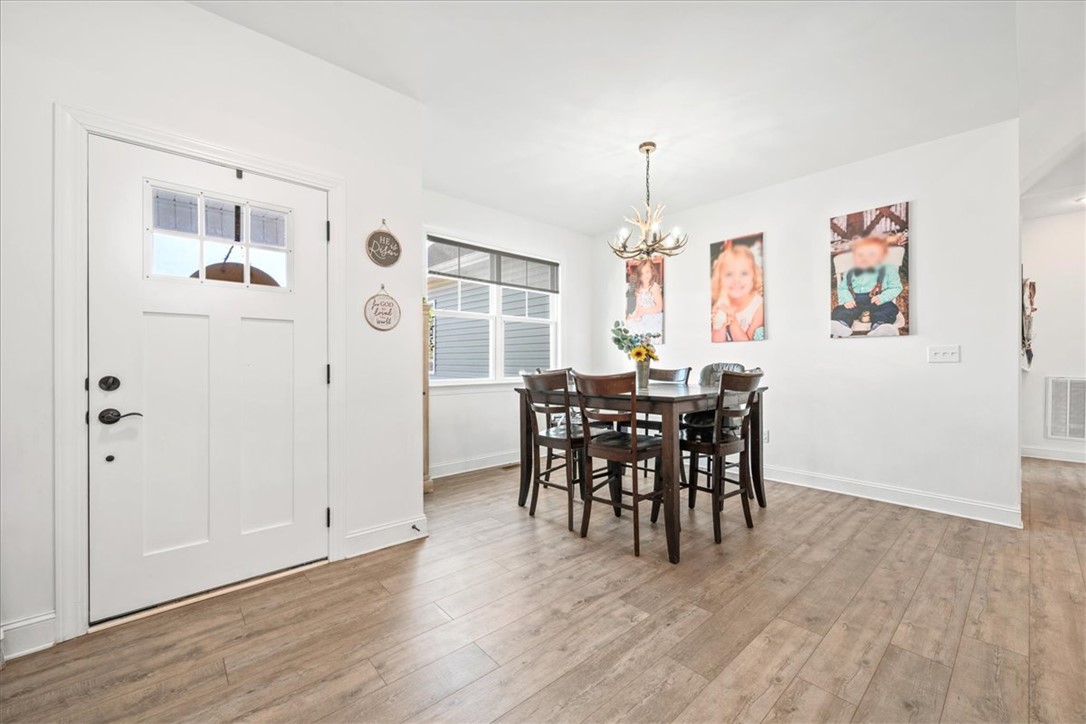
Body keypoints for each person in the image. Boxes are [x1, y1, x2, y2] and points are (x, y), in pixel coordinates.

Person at [831, 235, 902, 337]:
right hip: (855, 302)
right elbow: (843, 288)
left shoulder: (888, 269)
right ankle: (841, 324)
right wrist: (847, 300)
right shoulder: (851, 271)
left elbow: (896, 287)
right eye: (860, 255)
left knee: (889, 308)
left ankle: (880, 326)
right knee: (840, 310)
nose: (865, 258)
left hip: (878, 301)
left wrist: (882, 297)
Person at [711, 244, 765, 342]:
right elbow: (717, 343)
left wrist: (732, 320)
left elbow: (749, 346)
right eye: (729, 274)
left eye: (744, 273)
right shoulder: (723, 303)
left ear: (754, 276)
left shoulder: (759, 307)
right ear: (720, 279)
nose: (736, 280)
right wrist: (718, 324)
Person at [626, 258, 663, 337]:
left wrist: (643, 311)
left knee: (647, 331)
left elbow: (659, 307)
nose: (644, 276)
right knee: (629, 324)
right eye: (642, 273)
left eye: (647, 272)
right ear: (639, 275)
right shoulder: (639, 288)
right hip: (641, 315)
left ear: (652, 271)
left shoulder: (654, 287)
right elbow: (637, 306)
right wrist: (632, 315)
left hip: (652, 315)